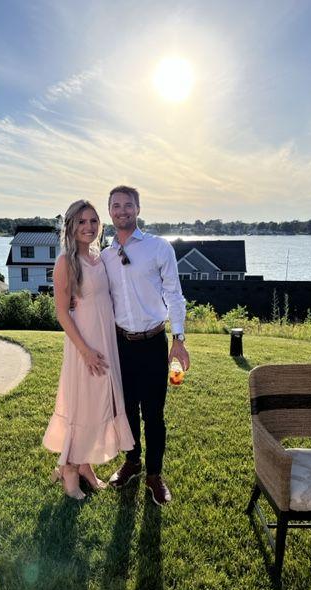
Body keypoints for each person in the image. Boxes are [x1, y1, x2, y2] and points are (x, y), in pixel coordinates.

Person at [102, 185, 190, 506]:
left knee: (153, 415)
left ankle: (154, 475)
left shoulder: (158, 248)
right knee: (125, 411)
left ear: (138, 209)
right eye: (116, 206)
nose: (122, 211)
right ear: (109, 211)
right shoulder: (105, 256)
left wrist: (178, 340)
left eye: (128, 205)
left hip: (153, 343)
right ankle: (132, 462)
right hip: (120, 345)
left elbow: (174, 295)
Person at [43, 199, 135, 500]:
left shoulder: (100, 257)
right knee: (83, 404)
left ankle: (85, 465)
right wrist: (85, 351)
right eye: (81, 222)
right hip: (84, 345)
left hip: (106, 341)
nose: (88, 227)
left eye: (93, 221)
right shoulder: (66, 262)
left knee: (98, 404)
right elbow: (62, 312)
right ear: (70, 226)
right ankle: (69, 468)